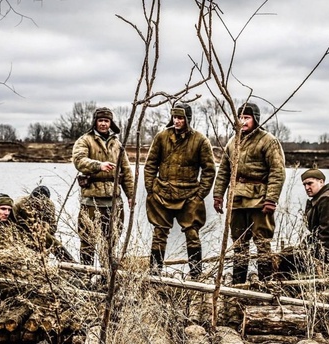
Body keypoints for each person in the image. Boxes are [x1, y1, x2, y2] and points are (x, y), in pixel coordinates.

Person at [213, 102, 286, 284]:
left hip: (259, 200)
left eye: (247, 118)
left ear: (256, 119)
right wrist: (218, 195)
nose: (243, 121)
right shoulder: (233, 142)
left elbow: (278, 171)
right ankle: (238, 284)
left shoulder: (268, 141)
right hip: (237, 199)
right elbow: (223, 171)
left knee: (262, 243)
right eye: (240, 117)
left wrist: (271, 199)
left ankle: (266, 283)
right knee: (239, 245)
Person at [144, 103, 216, 279]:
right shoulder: (162, 137)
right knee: (159, 233)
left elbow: (209, 169)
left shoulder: (200, 140)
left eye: (181, 118)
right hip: (162, 193)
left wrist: (200, 194)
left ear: (188, 119)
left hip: (189, 195)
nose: (177, 121)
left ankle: (196, 275)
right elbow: (150, 165)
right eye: (175, 117)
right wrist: (151, 189)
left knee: (192, 233)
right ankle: (154, 275)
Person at [72, 107, 134, 266]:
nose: (103, 124)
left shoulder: (118, 144)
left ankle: (106, 277)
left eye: (106, 121)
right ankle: (87, 275)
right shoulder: (85, 140)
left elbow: (126, 171)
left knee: (111, 241)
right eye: (100, 121)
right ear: (95, 122)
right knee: (87, 241)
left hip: (114, 201)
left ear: (111, 123)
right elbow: (79, 160)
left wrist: (131, 196)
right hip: (91, 201)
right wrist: (98, 165)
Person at [0, 193, 74, 278]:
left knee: (56, 277)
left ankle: (74, 273)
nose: (6, 213)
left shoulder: (8, 226)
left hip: (15, 269)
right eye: (3, 209)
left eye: (9, 210)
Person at [278, 169, 329, 277]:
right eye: (304, 185)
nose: (307, 188)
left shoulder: (327, 199)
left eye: (310, 183)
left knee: (286, 261)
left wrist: (319, 261)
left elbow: (327, 234)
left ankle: (288, 290)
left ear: (321, 182)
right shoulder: (321, 198)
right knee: (287, 253)